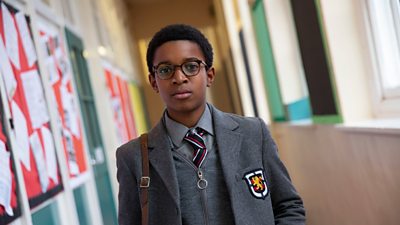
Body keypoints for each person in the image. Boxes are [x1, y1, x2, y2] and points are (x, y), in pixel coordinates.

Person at [116, 24, 306, 225]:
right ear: (154, 82)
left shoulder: (253, 134)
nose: (179, 78)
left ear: (209, 75)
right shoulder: (133, 157)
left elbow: (288, 206)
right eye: (165, 70)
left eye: (191, 66)